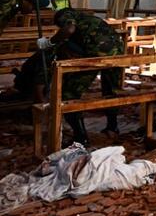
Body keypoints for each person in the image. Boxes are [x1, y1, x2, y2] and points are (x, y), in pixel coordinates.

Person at [15, 9, 123, 145]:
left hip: (97, 54)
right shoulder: (87, 21)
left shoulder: (65, 19)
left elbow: (68, 30)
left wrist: (49, 42)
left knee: (68, 95)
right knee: (111, 91)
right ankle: (113, 127)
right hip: (119, 52)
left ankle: (80, 138)